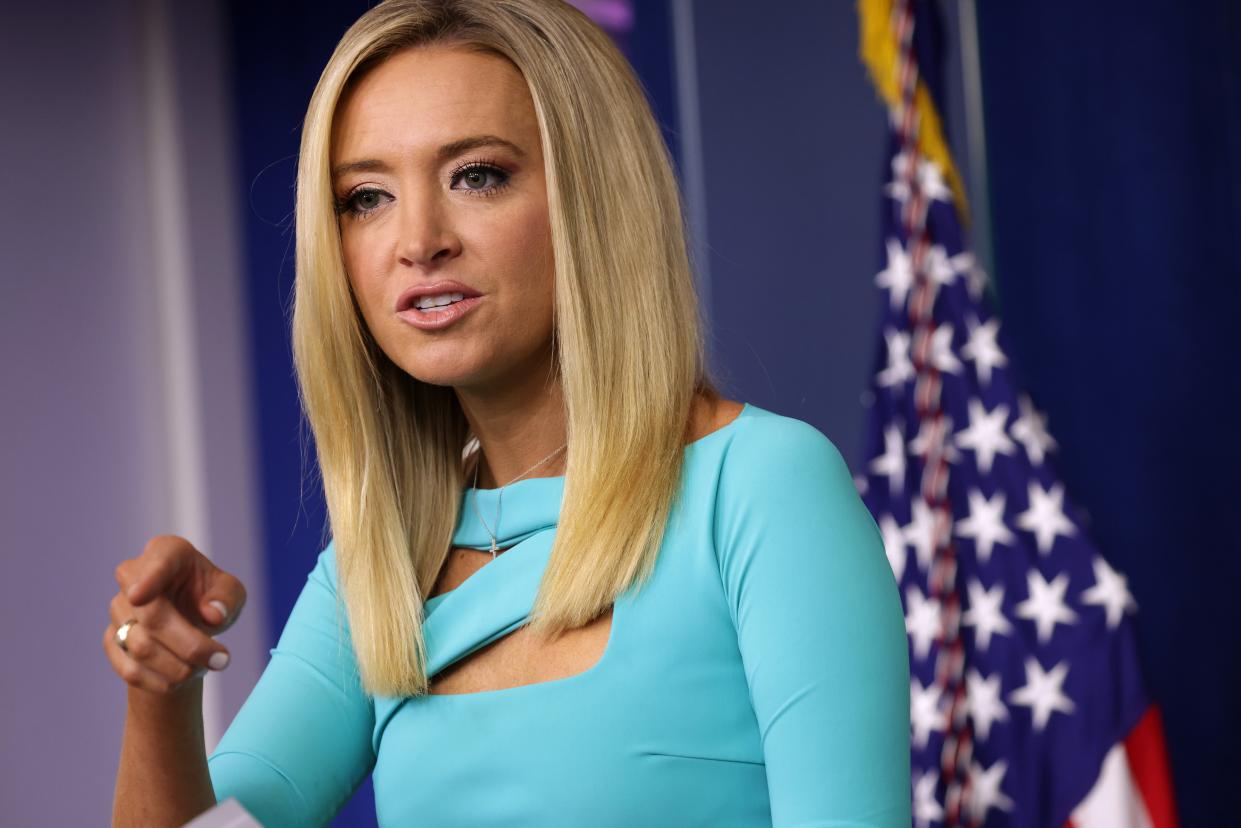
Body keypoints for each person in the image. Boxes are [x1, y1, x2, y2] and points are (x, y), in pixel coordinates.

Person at [104, 1, 911, 825]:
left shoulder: (760, 487)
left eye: (476, 175)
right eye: (366, 196)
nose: (417, 239)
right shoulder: (377, 571)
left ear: (594, 200)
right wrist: (161, 688)